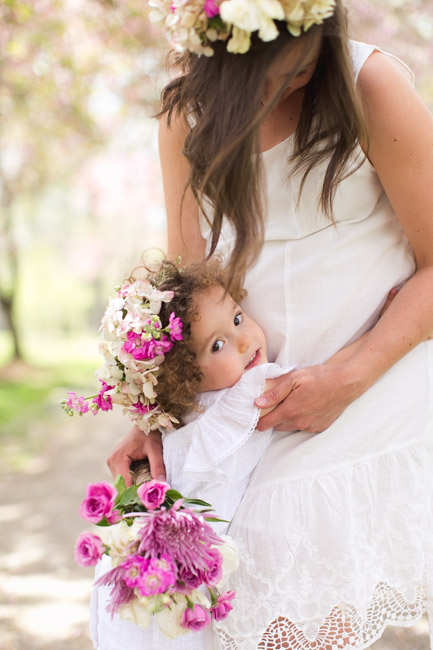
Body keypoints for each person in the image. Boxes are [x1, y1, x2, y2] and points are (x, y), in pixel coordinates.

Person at [107, 0, 433, 648]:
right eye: (265, 78)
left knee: (283, 573)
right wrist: (152, 416)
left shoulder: (370, 86)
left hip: (369, 378)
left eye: (298, 72)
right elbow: (188, 285)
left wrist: (346, 377)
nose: (284, 90)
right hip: (250, 402)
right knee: (213, 596)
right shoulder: (184, 115)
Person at [91, 258, 377, 650]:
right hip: (193, 571)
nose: (244, 341)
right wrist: (375, 335)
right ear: (186, 377)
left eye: (238, 318)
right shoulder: (245, 393)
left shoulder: (184, 415)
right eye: (218, 344)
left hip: (172, 567)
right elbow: (320, 378)